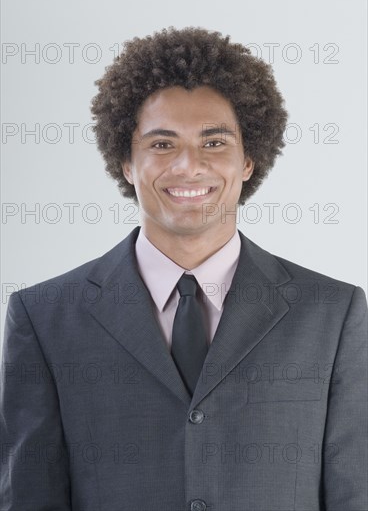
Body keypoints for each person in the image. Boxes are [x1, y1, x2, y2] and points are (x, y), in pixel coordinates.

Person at [1, 26, 367, 511]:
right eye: (161, 144)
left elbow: (353, 493)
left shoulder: (332, 314)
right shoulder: (43, 317)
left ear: (249, 161)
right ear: (126, 163)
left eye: (214, 143)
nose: (188, 166)